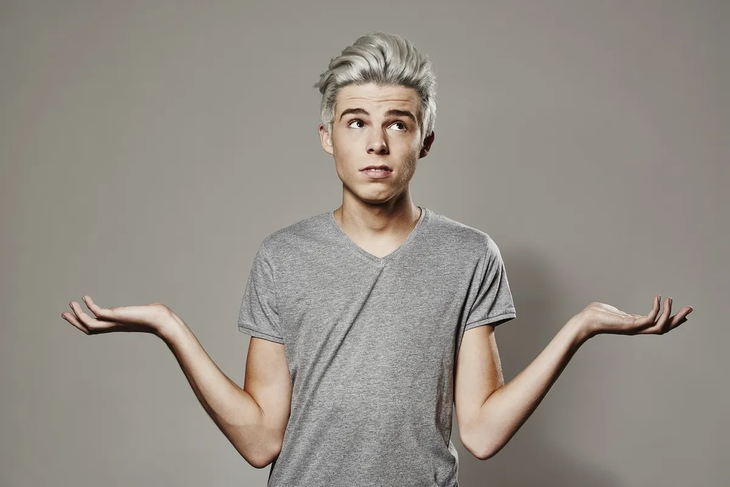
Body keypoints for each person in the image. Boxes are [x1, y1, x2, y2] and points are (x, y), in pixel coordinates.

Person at [61, 32, 693, 487]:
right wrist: (170, 327)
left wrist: (579, 327)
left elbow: (481, 432)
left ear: (425, 140)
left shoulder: (469, 255)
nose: (377, 143)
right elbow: (259, 441)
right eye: (356, 122)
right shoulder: (283, 257)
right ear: (327, 137)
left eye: (398, 124)